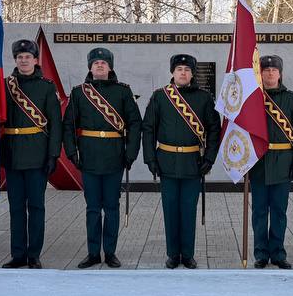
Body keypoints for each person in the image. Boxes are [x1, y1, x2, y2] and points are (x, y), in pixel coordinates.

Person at [62, 47, 142, 268]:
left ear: (110, 67)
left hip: (115, 157)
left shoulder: (123, 91)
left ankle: (110, 252)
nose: (99, 65)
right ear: (90, 67)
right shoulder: (79, 93)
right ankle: (93, 253)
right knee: (93, 208)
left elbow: (135, 124)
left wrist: (130, 153)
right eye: (96, 63)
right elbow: (68, 125)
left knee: (112, 207)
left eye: (103, 63)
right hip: (88, 157)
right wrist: (72, 152)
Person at [142, 54, 221, 268]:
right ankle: (172, 254)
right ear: (172, 72)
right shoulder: (160, 97)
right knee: (170, 209)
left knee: (188, 209)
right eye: (179, 69)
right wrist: (150, 159)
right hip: (166, 162)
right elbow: (148, 129)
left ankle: (187, 254)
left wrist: (209, 158)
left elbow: (215, 130)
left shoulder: (204, 98)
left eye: (187, 70)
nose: (183, 73)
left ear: (192, 73)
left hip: (193, 163)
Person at [1, 39, 63, 268]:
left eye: (28, 57)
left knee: (36, 207)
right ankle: (18, 254)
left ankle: (34, 254)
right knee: (16, 208)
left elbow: (55, 124)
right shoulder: (4, 86)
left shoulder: (46, 86)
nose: (24, 60)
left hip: (38, 155)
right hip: (12, 154)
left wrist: (53, 155)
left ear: (36, 60)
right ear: (15, 60)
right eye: (20, 57)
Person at [248, 55, 293, 269]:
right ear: (260, 73)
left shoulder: (292, 99)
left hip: (284, 164)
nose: (270, 73)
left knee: (279, 212)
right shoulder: (252, 99)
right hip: (258, 164)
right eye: (266, 70)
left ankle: (278, 253)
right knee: (259, 212)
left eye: (274, 70)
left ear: (280, 74)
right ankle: (260, 254)